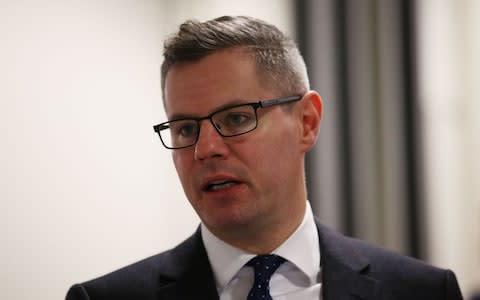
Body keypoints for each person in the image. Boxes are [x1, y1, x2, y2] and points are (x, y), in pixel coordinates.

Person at [66, 16, 463, 300]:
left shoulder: (422, 290)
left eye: (236, 118)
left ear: (307, 122)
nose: (205, 149)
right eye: (186, 128)